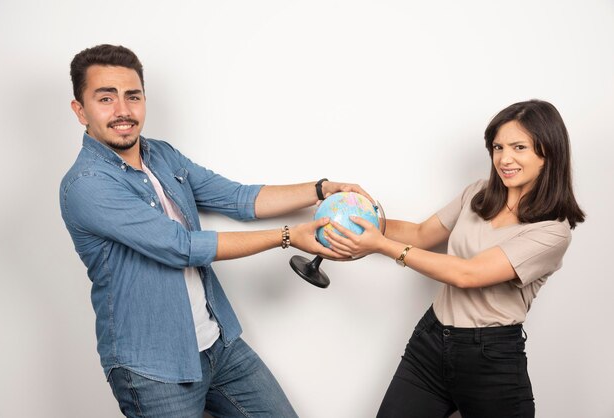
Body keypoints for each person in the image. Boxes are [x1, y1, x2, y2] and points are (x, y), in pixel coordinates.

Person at [59, 44, 368, 418]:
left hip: (218, 344)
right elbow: (181, 247)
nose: (123, 111)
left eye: (132, 96)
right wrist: (287, 236)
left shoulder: (161, 154)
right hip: (153, 369)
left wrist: (321, 188)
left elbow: (237, 198)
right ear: (80, 110)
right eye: (105, 98)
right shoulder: (87, 185)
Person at [324, 99, 585, 417]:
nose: (504, 159)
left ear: (548, 153)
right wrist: (358, 219)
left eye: (519, 147)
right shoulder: (478, 193)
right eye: (498, 147)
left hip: (491, 360)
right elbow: (421, 234)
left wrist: (382, 246)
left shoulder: (552, 232)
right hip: (430, 343)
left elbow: (468, 274)